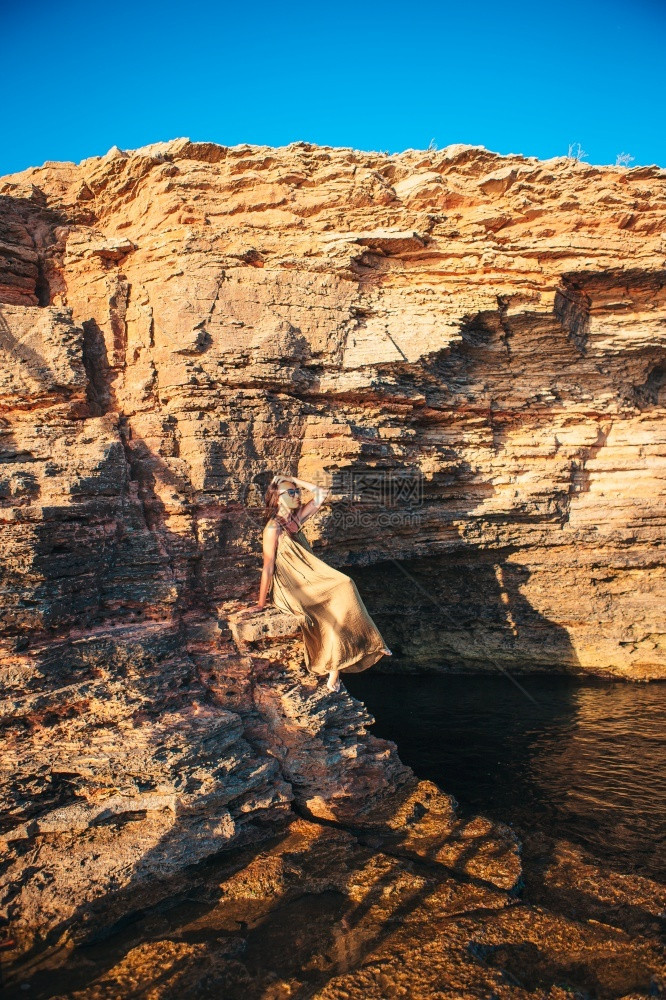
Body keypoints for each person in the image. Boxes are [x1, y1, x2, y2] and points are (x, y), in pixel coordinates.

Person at [244, 474, 392, 692]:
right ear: (277, 498)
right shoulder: (272, 528)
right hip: (290, 585)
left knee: (344, 587)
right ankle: (352, 656)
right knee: (341, 589)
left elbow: (322, 494)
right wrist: (260, 604)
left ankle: (350, 659)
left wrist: (292, 479)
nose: (297, 495)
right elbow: (268, 567)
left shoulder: (296, 519)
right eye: (291, 492)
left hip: (310, 579)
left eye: (297, 492)